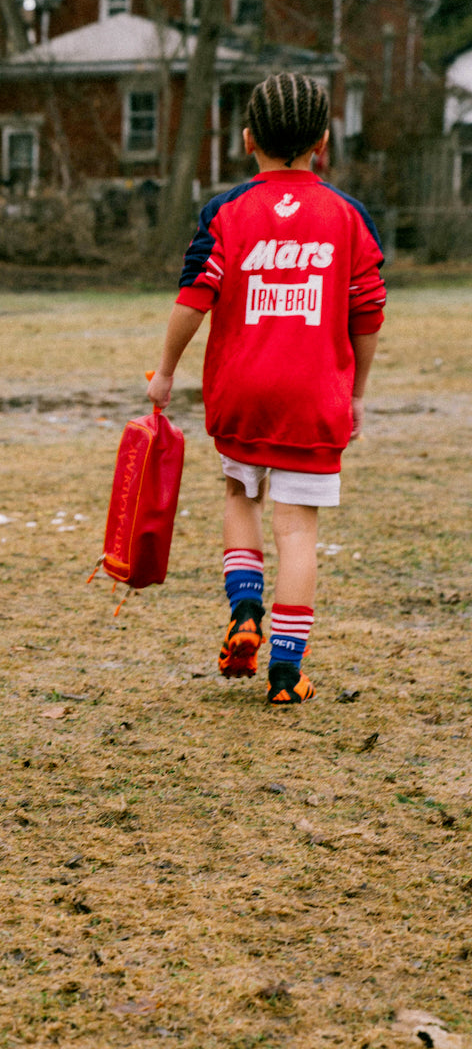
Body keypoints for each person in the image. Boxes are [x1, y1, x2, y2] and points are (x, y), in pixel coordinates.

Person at [147, 72, 385, 705]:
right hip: (314, 397)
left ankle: (245, 611)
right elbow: (368, 315)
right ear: (323, 143)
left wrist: (166, 370)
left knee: (239, 492)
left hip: (241, 391)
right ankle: (285, 673)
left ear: (248, 139)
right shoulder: (349, 217)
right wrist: (357, 393)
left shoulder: (225, 212)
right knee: (297, 531)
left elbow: (193, 298)